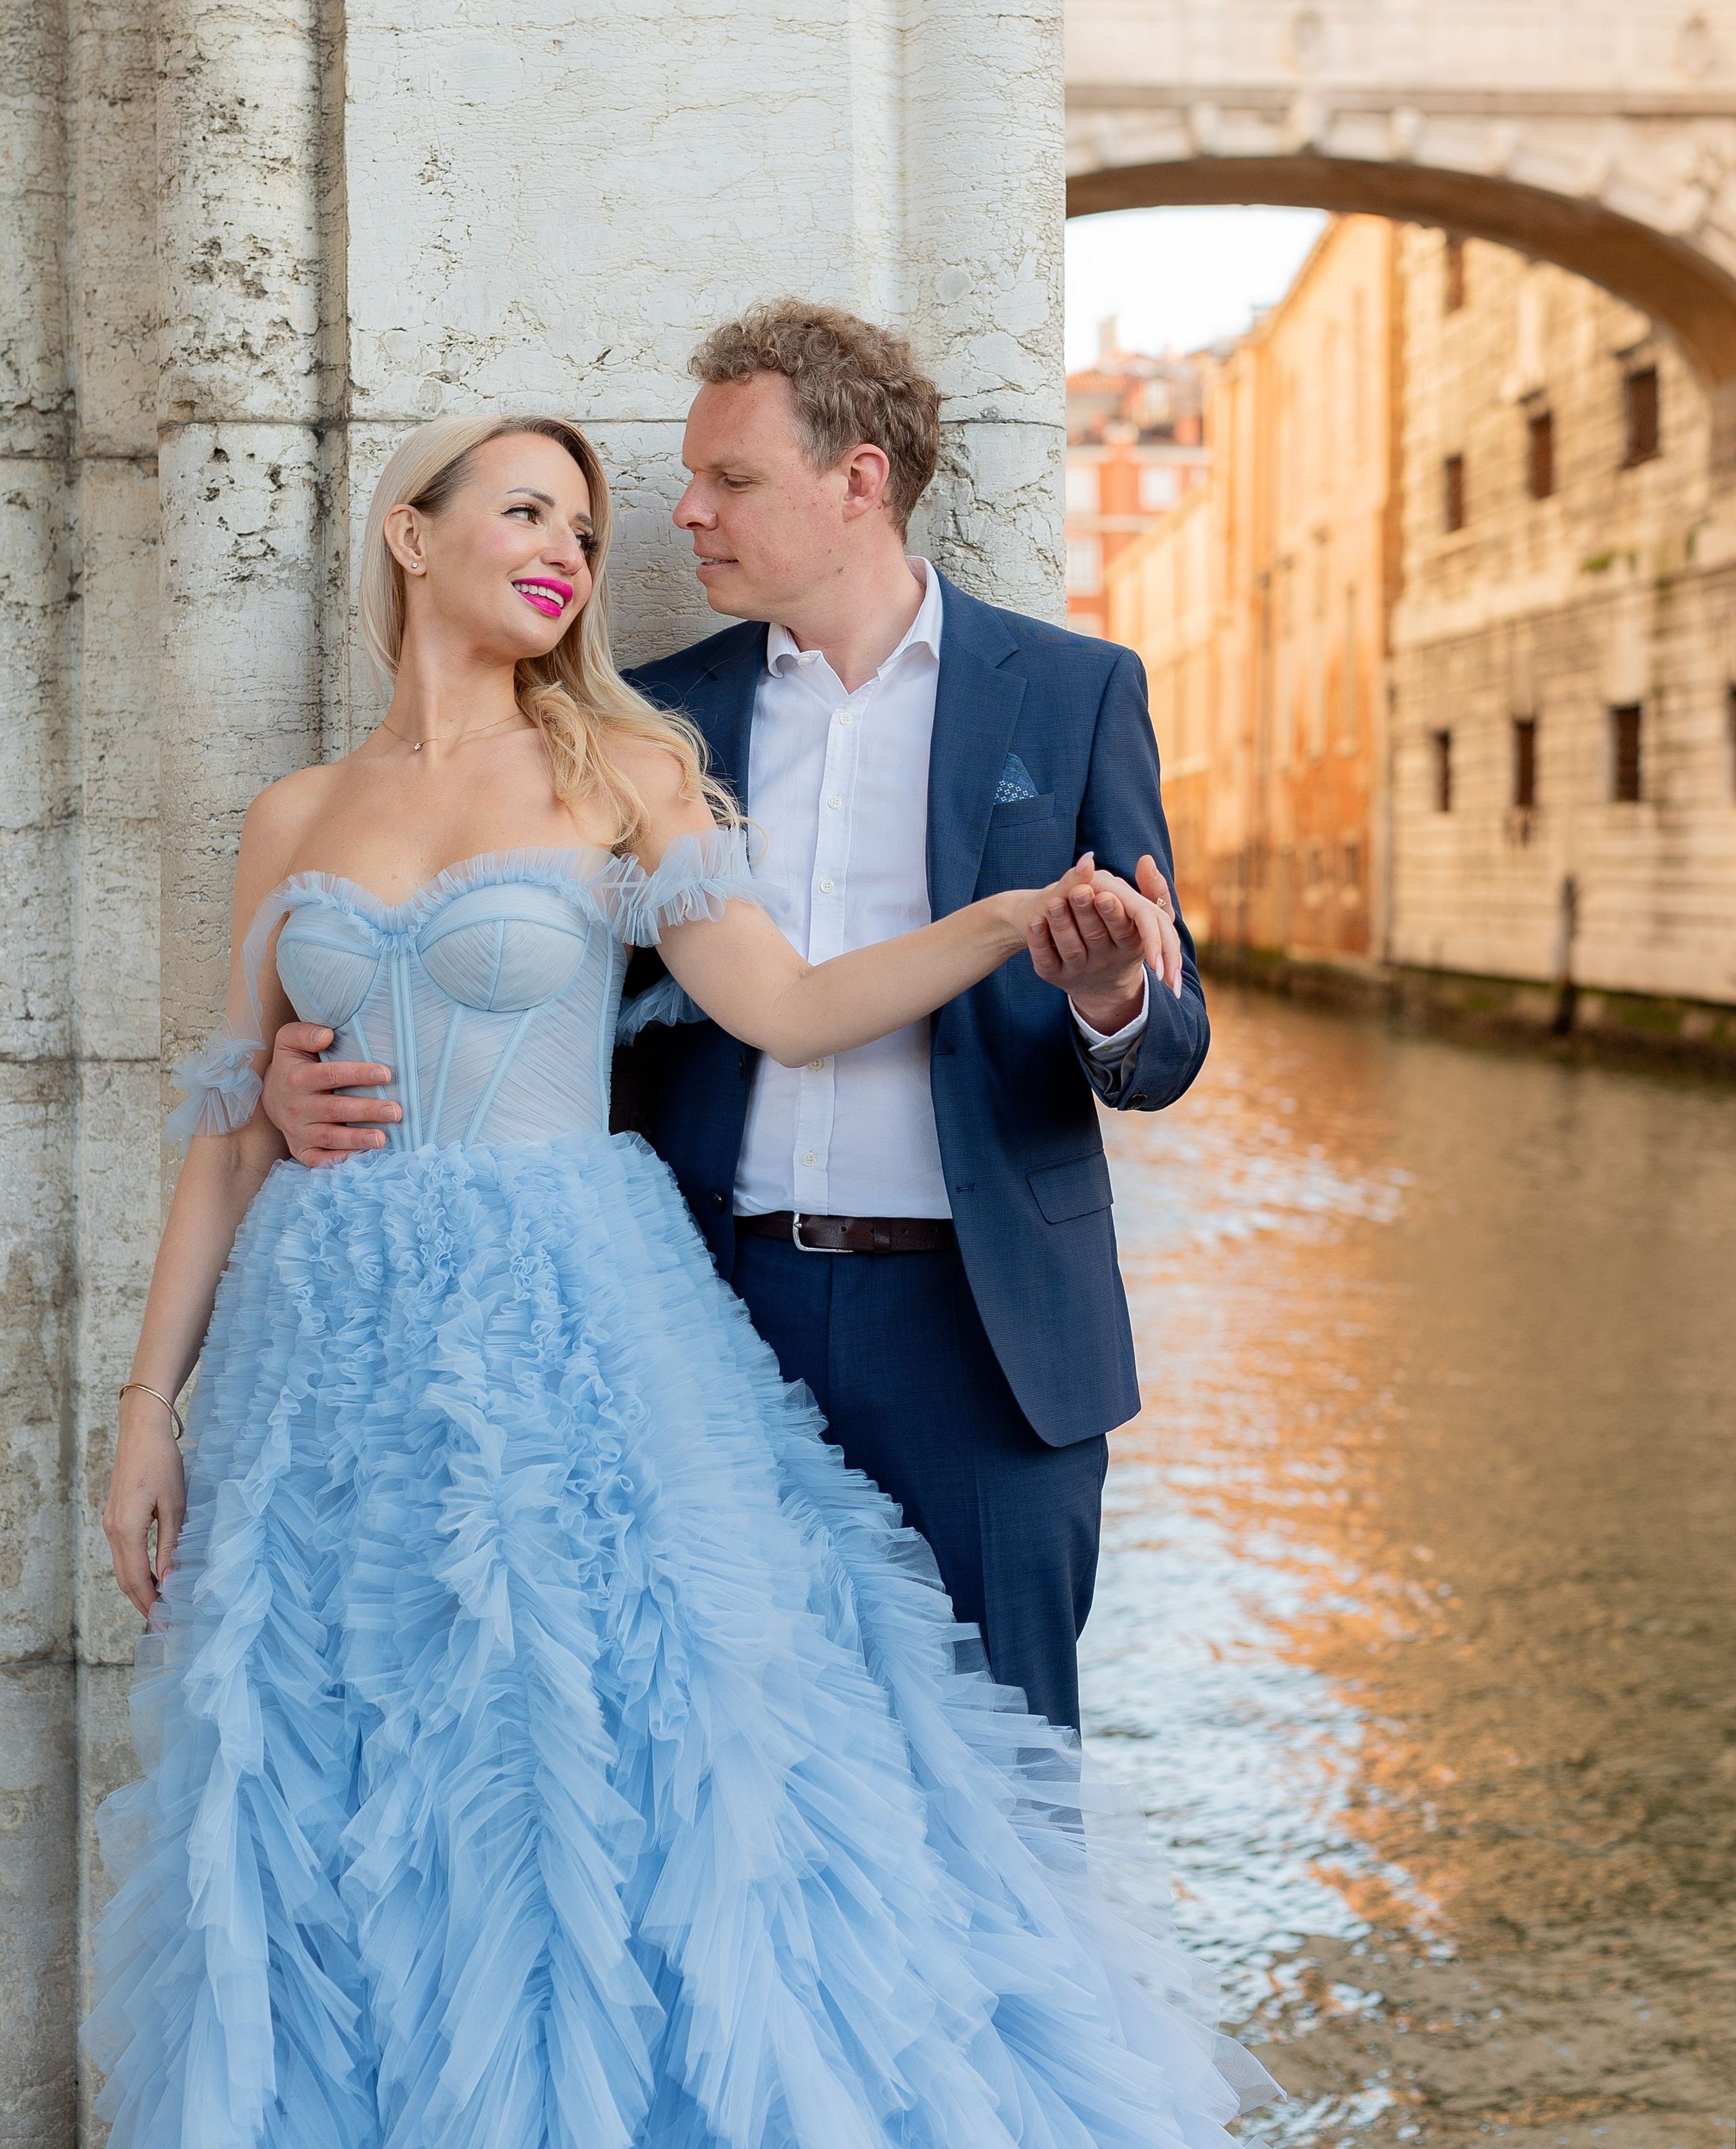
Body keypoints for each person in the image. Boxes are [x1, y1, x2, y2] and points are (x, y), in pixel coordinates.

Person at [88, 408, 1267, 2145]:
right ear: (411, 538)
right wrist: (143, 1413)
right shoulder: (296, 813)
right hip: (327, 1355)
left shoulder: (620, 771)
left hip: (566, 1321)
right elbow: (225, 1130)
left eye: (584, 521)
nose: (570, 549)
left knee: (587, 1755)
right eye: (523, 511)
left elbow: (785, 1007)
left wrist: (1009, 921)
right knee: (349, 1763)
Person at [264, 304, 1208, 1740]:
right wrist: (307, 1065)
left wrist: (1107, 994)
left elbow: (1165, 1035)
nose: (682, 511)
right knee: (730, 1798)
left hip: (987, 1344)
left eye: (730, 479)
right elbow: (542, 990)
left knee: (1001, 1804)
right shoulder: (639, 723)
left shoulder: (1073, 693)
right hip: (704, 1324)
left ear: (859, 481)